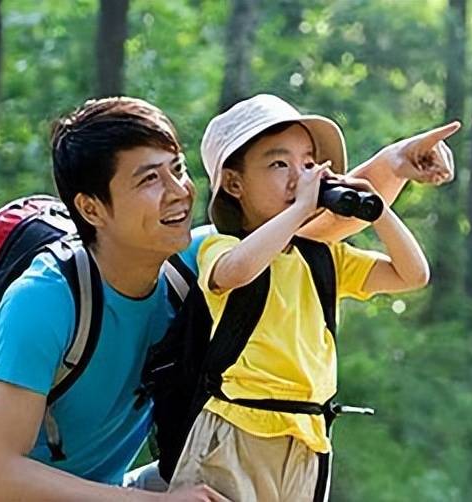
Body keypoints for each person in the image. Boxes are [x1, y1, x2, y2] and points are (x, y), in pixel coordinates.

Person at [0, 96, 458, 500]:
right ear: (92, 208)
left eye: (176, 169)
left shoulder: (190, 262)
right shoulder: (45, 301)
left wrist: (396, 163)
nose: (178, 191)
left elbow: (310, 229)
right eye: (149, 179)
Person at [165, 94, 432, 502]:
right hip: (236, 432)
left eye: (308, 164)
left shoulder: (323, 259)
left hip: (309, 438)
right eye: (279, 164)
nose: (299, 176)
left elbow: (413, 275)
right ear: (234, 184)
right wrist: (303, 207)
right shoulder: (220, 247)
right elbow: (238, 270)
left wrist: (379, 211)